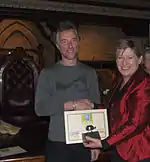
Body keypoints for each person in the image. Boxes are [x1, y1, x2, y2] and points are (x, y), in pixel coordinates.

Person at [35, 20, 101, 162]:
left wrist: (95, 144)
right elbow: (40, 109)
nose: (69, 46)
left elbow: (96, 109)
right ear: (58, 46)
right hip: (58, 144)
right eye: (64, 42)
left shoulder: (90, 73)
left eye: (73, 40)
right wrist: (72, 104)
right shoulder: (47, 73)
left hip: (84, 143)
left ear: (78, 42)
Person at [83, 39, 150, 162]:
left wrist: (104, 143)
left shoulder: (144, 84)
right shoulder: (119, 80)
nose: (124, 63)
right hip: (119, 148)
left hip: (137, 153)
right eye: (120, 57)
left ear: (140, 59)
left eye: (130, 57)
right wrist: (92, 106)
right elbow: (112, 108)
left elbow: (135, 124)